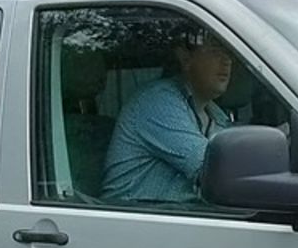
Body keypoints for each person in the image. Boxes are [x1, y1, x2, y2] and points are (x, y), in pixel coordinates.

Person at [101, 31, 235, 204]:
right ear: (185, 58)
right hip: (132, 226)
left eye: (230, 53)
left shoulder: (215, 114)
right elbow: (216, 170)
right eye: (216, 51)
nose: (227, 61)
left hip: (177, 224)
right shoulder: (157, 102)